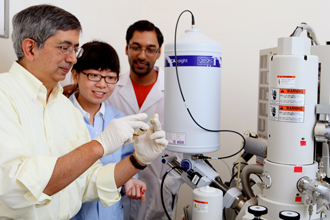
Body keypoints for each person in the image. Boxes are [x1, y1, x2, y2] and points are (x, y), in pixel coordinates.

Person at [0, 5, 167, 220]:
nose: (72, 59)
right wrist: (99, 146)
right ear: (31, 48)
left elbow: (88, 181)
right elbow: (13, 187)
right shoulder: (5, 96)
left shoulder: (63, 107)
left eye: (75, 49)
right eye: (64, 47)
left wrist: (138, 160)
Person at [106, 20, 183, 220]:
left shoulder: (177, 90)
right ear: (126, 49)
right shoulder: (109, 88)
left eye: (150, 49)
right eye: (136, 47)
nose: (142, 55)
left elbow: (186, 141)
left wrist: (170, 183)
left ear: (158, 53)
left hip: (160, 188)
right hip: (117, 188)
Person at [70, 41, 146, 220]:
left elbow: (125, 159)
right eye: (94, 75)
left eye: (111, 77)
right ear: (75, 75)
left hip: (111, 214)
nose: (102, 84)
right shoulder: (59, 116)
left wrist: (129, 179)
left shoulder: (119, 119)